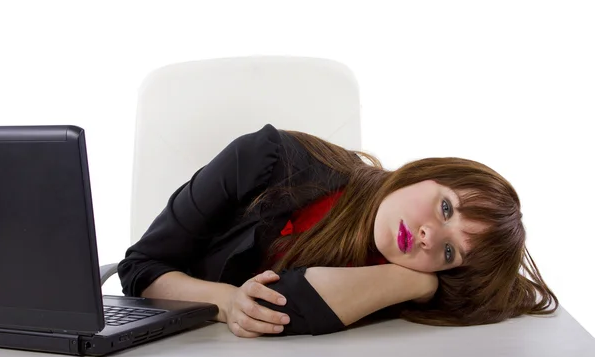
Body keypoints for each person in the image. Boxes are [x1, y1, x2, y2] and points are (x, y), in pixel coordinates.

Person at [117, 124, 558, 338]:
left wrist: (412, 279)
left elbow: (295, 302)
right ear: (427, 173)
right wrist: (228, 302)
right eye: (445, 207)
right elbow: (139, 268)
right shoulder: (267, 156)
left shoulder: (403, 276)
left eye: (447, 252)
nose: (427, 236)